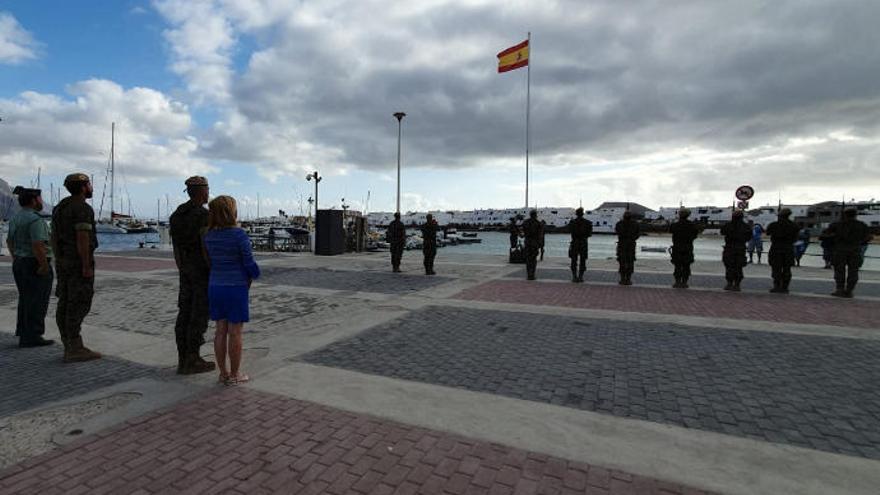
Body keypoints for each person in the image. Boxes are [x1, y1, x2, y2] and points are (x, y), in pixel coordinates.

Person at [204, 196, 260, 385]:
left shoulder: (209, 236)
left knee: (220, 331)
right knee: (235, 332)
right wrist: (255, 273)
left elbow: (210, 262)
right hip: (236, 287)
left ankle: (223, 373)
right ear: (231, 212)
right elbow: (249, 263)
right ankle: (235, 375)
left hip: (215, 286)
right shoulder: (239, 235)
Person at [51, 173, 101, 362]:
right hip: (78, 263)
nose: (91, 187)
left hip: (64, 262)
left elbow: (54, 237)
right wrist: (86, 264)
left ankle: (69, 343)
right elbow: (82, 238)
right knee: (79, 302)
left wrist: (59, 258)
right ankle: (74, 347)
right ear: (83, 187)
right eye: (89, 184)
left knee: (64, 303)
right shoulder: (81, 208)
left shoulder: (60, 207)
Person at [169, 176, 215, 375]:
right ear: (202, 191)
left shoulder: (177, 215)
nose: (208, 193)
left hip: (185, 270)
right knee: (199, 314)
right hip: (201, 271)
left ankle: (183, 357)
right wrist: (212, 269)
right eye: (207, 189)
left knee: (184, 312)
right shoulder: (203, 216)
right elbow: (206, 247)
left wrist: (181, 267)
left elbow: (176, 247)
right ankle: (192, 358)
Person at [7, 187, 54, 347]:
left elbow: (9, 241)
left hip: (20, 262)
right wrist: (43, 266)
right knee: (38, 300)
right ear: (34, 200)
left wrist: (16, 257)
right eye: (40, 199)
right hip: (34, 263)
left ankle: (24, 333)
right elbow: (38, 245)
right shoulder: (35, 219)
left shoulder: (15, 218)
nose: (41, 202)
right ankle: (33, 335)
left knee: (25, 299)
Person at [826, 208, 872, 297]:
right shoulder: (862, 225)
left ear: (845, 215)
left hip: (840, 250)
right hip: (855, 250)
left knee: (839, 270)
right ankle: (849, 291)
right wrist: (859, 242)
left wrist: (836, 239)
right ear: (855, 215)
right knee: (853, 271)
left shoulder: (837, 224)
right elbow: (868, 237)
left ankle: (840, 289)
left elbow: (826, 235)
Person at [766, 208, 800, 293]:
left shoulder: (774, 225)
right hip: (788, 248)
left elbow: (767, 232)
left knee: (776, 268)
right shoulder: (794, 226)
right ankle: (785, 287)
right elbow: (796, 237)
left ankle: (777, 286)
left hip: (776, 248)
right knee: (787, 269)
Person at [720, 210, 752, 291]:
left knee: (729, 266)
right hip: (740, 248)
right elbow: (749, 237)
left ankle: (729, 283)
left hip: (730, 247)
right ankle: (737, 284)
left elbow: (722, 232)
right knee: (738, 267)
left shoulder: (728, 225)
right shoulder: (746, 226)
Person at [669, 208, 699, 288]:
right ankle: (684, 282)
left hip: (677, 247)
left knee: (677, 266)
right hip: (688, 247)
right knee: (686, 266)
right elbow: (695, 235)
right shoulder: (692, 225)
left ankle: (677, 282)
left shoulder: (675, 225)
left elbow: (670, 230)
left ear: (679, 215)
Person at [614, 211, 640, 285]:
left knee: (622, 261)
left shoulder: (619, 224)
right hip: (631, 245)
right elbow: (638, 235)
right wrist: (632, 238)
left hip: (622, 245)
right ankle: (628, 279)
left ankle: (623, 279)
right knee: (630, 262)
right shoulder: (635, 224)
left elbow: (617, 232)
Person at [567, 207, 593, 282]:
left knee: (573, 261)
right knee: (583, 261)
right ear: (583, 213)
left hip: (575, 243)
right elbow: (589, 234)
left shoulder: (572, 222)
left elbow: (569, 230)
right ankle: (581, 277)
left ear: (576, 214)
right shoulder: (588, 223)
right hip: (583, 243)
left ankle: (574, 276)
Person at [522, 210, 542, 280]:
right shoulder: (538, 223)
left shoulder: (525, 222)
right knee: (533, 259)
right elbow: (540, 235)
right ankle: (532, 274)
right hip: (534, 243)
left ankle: (528, 274)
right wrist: (540, 244)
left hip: (527, 242)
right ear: (536, 215)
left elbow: (523, 233)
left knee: (528, 259)